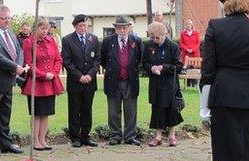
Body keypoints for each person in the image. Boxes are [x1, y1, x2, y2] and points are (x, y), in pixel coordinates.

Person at [200, 0, 249, 161]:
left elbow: (207, 68)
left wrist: (204, 97)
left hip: (223, 95)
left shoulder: (215, 26)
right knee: (247, 154)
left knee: (226, 155)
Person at [0, 4, 27, 157]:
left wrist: (18, 65)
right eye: (4, 18)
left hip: (9, 81)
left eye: (9, 18)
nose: (7, 21)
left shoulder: (11, 33)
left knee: (5, 114)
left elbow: (19, 51)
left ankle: (5, 143)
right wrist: (15, 67)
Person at [22, 16, 64, 151]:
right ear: (35, 28)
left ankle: (42, 140)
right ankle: (35, 141)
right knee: (37, 113)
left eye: (46, 28)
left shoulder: (51, 40)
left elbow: (58, 59)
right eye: (42, 28)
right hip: (36, 83)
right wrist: (43, 74)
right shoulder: (29, 42)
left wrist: (53, 72)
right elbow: (29, 63)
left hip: (50, 83)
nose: (45, 31)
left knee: (46, 113)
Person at [100, 16, 142, 146]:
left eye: (125, 27)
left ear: (129, 28)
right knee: (113, 111)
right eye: (119, 27)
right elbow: (103, 60)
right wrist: (115, 69)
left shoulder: (137, 41)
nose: (122, 30)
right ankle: (115, 135)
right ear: (116, 29)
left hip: (130, 80)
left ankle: (130, 136)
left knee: (131, 110)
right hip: (113, 80)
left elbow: (140, 59)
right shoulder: (108, 41)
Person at [142, 22, 183, 147]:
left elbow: (179, 66)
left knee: (171, 109)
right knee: (157, 108)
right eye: (152, 37)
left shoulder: (173, 46)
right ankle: (158, 136)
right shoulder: (149, 45)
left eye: (157, 38)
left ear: (164, 34)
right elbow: (144, 63)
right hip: (155, 83)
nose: (155, 40)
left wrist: (163, 67)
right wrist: (152, 68)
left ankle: (171, 136)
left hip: (170, 84)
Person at [62, 14, 100, 148]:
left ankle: (85, 136)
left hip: (90, 82)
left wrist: (90, 75)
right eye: (80, 26)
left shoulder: (93, 39)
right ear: (75, 26)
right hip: (75, 82)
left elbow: (97, 60)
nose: (83, 28)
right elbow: (67, 61)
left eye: (85, 25)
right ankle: (75, 137)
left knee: (87, 110)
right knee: (74, 110)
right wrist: (79, 76)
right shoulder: (67, 40)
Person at [179, 19, 201, 87]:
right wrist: (187, 49)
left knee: (194, 68)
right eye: (187, 24)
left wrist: (193, 49)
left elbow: (198, 43)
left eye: (189, 24)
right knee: (187, 69)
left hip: (194, 54)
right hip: (186, 54)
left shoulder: (196, 33)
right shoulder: (182, 34)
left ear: (192, 25)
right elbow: (181, 43)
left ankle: (194, 83)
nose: (188, 26)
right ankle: (187, 84)